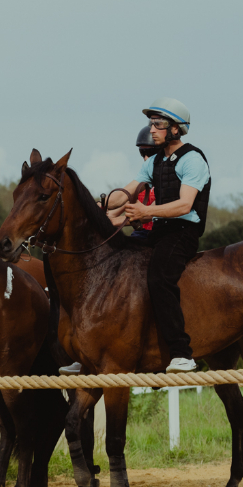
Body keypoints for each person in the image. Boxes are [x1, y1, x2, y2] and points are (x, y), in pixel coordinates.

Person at [109, 97, 211, 373]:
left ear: (175, 129)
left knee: (159, 276)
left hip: (183, 232)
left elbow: (184, 205)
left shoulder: (193, 159)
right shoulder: (153, 161)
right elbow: (127, 192)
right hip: (160, 231)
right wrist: (98, 206)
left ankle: (182, 353)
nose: (151, 129)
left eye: (158, 124)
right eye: (150, 123)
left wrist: (146, 212)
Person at [59, 126, 163, 374]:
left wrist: (125, 218)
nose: (146, 159)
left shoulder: (166, 184)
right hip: (139, 238)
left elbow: (139, 214)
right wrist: (95, 211)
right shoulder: (143, 185)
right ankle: (86, 346)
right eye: (142, 154)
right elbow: (115, 214)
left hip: (159, 239)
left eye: (150, 152)